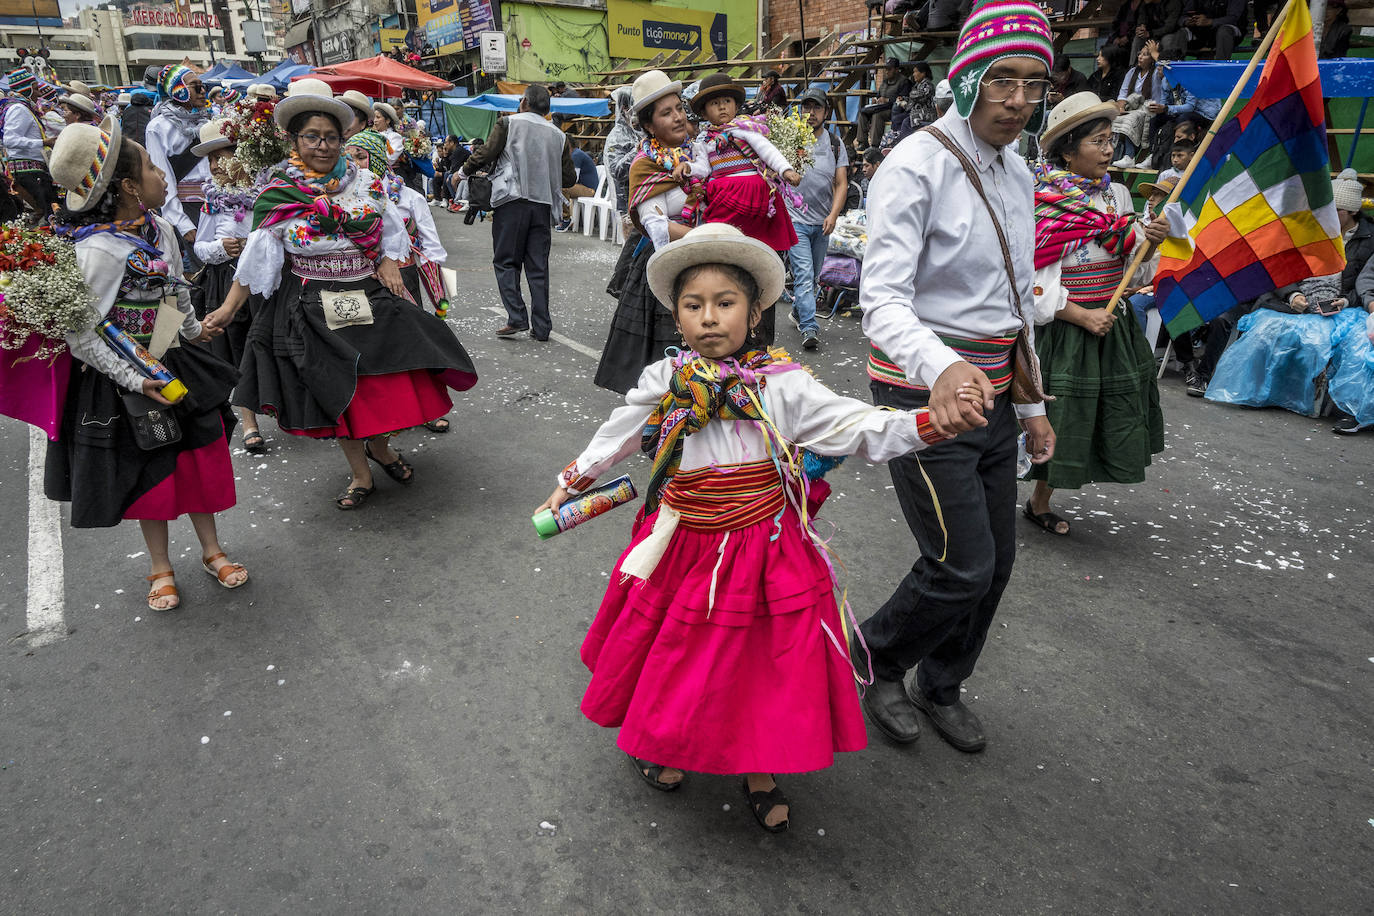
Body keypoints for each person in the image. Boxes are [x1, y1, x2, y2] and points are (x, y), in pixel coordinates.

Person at [538, 223, 949, 832]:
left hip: (766, 547)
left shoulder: (783, 384)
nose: (709, 318)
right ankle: (662, 740)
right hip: (685, 541)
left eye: (724, 303)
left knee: (764, 662)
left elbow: (852, 425)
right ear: (676, 317)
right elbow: (620, 432)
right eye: (693, 305)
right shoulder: (668, 381)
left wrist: (926, 425)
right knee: (678, 653)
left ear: (754, 312)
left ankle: (760, 766)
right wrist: (573, 481)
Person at [857, 0, 1057, 752]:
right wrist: (942, 368)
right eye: (1003, 79)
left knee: (995, 565)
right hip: (922, 392)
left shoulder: (1020, 171)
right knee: (960, 563)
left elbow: (1017, 302)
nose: (1018, 99)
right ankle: (875, 659)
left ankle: (942, 683)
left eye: (1033, 83)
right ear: (967, 76)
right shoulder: (915, 163)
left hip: (997, 393)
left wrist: (1033, 407)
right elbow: (881, 301)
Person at [205, 80, 477, 509]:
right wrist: (226, 309)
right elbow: (258, 260)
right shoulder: (280, 194)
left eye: (331, 137)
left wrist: (388, 260)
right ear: (294, 140)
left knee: (387, 384)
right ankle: (361, 473)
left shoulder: (366, 182)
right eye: (312, 137)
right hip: (313, 304)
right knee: (339, 394)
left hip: (369, 293)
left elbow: (391, 231)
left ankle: (381, 448)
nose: (323, 146)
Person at [47, 115, 246, 610]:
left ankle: (212, 550)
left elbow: (176, 292)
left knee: (195, 459)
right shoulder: (97, 251)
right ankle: (160, 567)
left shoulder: (160, 229)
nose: (163, 175)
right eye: (154, 168)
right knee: (150, 469)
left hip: (174, 363)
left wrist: (194, 331)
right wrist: (136, 379)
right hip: (127, 380)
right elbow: (82, 335)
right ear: (131, 187)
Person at [1026, 93, 1167, 536]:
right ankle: (1024, 494)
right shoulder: (1044, 200)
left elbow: (1133, 268)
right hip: (1065, 330)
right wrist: (1081, 317)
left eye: (1111, 141)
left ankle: (1040, 499)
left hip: (1111, 324)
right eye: (1099, 142)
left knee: (1098, 415)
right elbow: (1032, 284)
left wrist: (1151, 242)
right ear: (1068, 150)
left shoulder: (1116, 195)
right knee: (1059, 416)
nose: (1109, 151)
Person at [1207, 170, 1373, 419]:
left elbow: (1364, 282)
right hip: (1293, 302)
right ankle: (1256, 392)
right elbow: (1279, 267)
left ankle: (1297, 396)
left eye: (1336, 210)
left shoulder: (1369, 239)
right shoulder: (1305, 228)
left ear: (1352, 212)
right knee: (1265, 333)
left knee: (1318, 342)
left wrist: (1346, 300)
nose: (1327, 215)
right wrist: (1292, 294)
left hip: (1338, 310)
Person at [593, 71, 698, 394]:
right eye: (666, 113)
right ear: (649, 126)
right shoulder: (644, 165)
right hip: (667, 263)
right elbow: (657, 225)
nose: (678, 117)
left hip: (707, 256)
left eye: (679, 108)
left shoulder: (700, 152)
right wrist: (710, 235)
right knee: (666, 373)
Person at [457, 85, 576, 341]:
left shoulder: (508, 123)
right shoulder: (559, 136)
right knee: (538, 267)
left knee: (506, 261)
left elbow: (485, 153)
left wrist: (462, 172)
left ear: (524, 102)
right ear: (547, 108)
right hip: (542, 206)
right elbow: (569, 177)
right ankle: (542, 327)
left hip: (511, 201)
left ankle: (517, 317)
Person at [187, 118, 267, 454]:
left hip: (264, 281)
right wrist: (222, 248)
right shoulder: (213, 202)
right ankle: (249, 422)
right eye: (211, 159)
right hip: (228, 280)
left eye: (222, 156)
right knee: (238, 347)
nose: (216, 165)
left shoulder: (267, 193)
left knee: (269, 342)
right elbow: (200, 247)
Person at [684, 73, 800, 254]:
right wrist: (689, 168)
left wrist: (785, 170)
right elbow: (704, 168)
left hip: (752, 193)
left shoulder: (744, 129)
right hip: (723, 196)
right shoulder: (705, 141)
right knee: (723, 241)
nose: (722, 106)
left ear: (737, 106)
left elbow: (766, 150)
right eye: (714, 103)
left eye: (727, 101)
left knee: (759, 244)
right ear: (704, 113)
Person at [785, 87, 849, 352]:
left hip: (822, 223)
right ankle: (809, 327)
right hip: (795, 220)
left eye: (816, 108)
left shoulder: (835, 144)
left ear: (826, 112)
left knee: (813, 278)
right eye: (806, 107)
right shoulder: (791, 140)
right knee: (804, 274)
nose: (810, 113)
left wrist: (833, 215)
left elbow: (842, 183)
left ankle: (799, 311)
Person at [144, 65, 210, 255]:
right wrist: (181, 222)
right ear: (178, 90)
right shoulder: (157, 128)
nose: (202, 91)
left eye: (202, 85)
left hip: (216, 202)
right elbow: (162, 176)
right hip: (188, 207)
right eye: (195, 86)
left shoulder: (207, 122)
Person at [2, 68, 60, 220]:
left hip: (32, 170)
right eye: (35, 89)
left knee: (49, 213)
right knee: (49, 215)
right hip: (28, 172)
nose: (39, 94)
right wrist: (44, 142)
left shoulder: (24, 108)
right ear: (25, 89)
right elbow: (10, 140)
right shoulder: (19, 109)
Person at [1110, 44, 1165, 167]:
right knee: (1116, 119)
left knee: (1131, 119)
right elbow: (1123, 94)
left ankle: (1129, 156)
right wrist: (1121, 108)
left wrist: (1155, 53)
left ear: (1152, 59)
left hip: (1151, 108)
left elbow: (1165, 68)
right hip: (1132, 107)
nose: (1140, 57)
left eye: (1145, 55)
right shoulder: (1132, 72)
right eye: (1139, 53)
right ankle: (1114, 157)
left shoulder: (1156, 73)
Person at [602, 85, 639, 233]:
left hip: (645, 197)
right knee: (632, 243)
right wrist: (638, 150)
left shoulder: (639, 131)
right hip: (628, 203)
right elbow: (617, 171)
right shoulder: (617, 136)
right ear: (625, 108)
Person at [857, 58, 913, 150]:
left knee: (877, 115)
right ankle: (862, 143)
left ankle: (875, 145)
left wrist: (887, 100)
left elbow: (904, 99)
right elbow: (879, 95)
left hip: (894, 110)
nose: (887, 71)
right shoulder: (885, 82)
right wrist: (875, 99)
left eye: (889, 69)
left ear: (896, 69)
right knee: (862, 112)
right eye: (886, 69)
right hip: (880, 107)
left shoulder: (904, 82)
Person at [1179, 0, 1247, 60]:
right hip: (1202, 33)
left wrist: (1210, 22)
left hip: (1229, 32)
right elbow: (1182, 16)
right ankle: (1175, 65)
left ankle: (1220, 66)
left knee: (1224, 31)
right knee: (1179, 32)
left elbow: (1233, 18)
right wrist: (1187, 21)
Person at [559, 138, 599, 231]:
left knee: (562, 188)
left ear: (568, 145)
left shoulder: (576, 155)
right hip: (582, 186)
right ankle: (561, 217)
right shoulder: (575, 153)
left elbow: (573, 178)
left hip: (589, 189)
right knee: (558, 187)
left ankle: (566, 219)